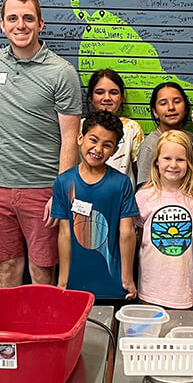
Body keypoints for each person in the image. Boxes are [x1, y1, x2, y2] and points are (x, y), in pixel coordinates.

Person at [0, 0, 82, 288]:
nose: (20, 25)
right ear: (2, 25)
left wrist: (60, 193)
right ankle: (9, 322)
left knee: (42, 272)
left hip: (41, 189)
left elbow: (70, 138)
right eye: (12, 18)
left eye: (28, 18)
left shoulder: (62, 72)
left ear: (40, 24)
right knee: (6, 269)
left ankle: (41, 322)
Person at [53, 110, 138, 302]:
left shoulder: (121, 183)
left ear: (114, 150)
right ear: (80, 138)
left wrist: (127, 278)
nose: (98, 149)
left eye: (107, 145)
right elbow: (64, 234)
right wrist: (63, 280)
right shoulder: (64, 182)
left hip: (114, 284)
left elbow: (127, 233)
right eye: (93, 140)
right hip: (75, 284)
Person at [135, 130, 193, 309]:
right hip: (152, 283)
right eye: (167, 158)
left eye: (180, 159)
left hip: (185, 282)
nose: (173, 165)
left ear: (189, 163)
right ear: (157, 161)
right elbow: (141, 235)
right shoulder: (143, 195)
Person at [85, 68, 143, 187]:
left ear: (122, 97)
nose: (107, 98)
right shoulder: (80, 126)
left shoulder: (132, 128)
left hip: (122, 195)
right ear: (90, 97)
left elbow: (139, 170)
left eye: (114, 93)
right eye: (100, 92)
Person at [136, 82, 193, 187]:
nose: (171, 107)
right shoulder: (150, 145)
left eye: (177, 102)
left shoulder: (190, 138)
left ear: (186, 108)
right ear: (155, 112)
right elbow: (144, 186)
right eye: (163, 103)